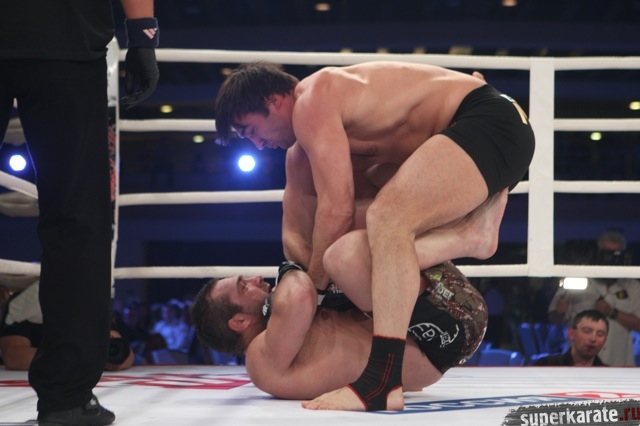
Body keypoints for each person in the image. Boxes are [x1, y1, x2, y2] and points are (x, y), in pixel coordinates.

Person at [214, 61, 534, 410]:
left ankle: (381, 381)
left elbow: (337, 209)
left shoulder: (311, 102)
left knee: (386, 217)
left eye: (251, 130)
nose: (258, 145)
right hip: (481, 128)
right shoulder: (322, 133)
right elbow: (304, 226)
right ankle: (473, 235)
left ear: (273, 100)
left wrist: (315, 295)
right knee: (353, 244)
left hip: (489, 125)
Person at [0, 1, 159, 424]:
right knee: (77, 219)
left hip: (68, 36)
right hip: (66, 36)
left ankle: (68, 396)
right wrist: (143, 32)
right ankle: (67, 399)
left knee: (78, 220)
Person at [191, 257, 488, 402]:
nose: (255, 278)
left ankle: (469, 236)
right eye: (244, 287)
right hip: (438, 339)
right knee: (345, 253)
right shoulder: (259, 361)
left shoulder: (285, 330)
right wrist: (290, 267)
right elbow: (299, 293)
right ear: (239, 322)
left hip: (439, 324)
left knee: (354, 233)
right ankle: (468, 237)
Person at [0, 278, 134, 372]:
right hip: (41, 381)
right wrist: (77, 358)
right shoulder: (23, 306)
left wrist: (111, 359)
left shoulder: (91, 305)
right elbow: (13, 356)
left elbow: (123, 353)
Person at [548, 231, 640, 366]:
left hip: (618, 364)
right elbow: (554, 319)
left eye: (616, 254)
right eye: (606, 253)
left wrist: (612, 312)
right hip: (578, 364)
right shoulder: (579, 279)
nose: (610, 259)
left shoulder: (633, 286)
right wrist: (560, 312)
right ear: (598, 253)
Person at [534, 309, 609, 366]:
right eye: (587, 331)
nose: (593, 339)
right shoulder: (547, 365)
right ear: (571, 334)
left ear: (604, 341)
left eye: (600, 334)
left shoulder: (609, 374)